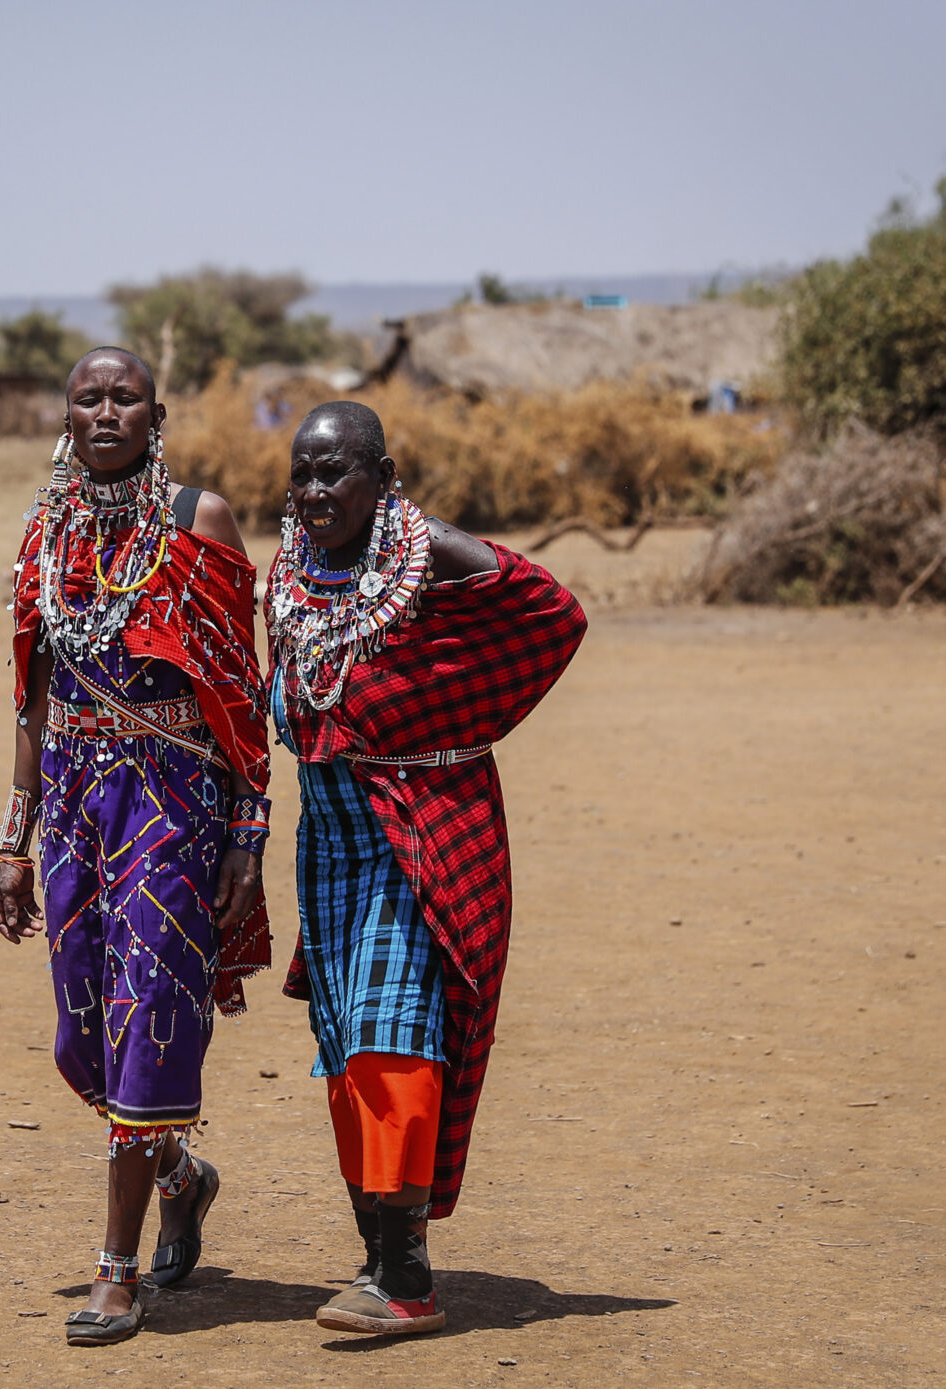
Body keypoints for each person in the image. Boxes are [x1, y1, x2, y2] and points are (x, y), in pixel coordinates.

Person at [263, 400, 586, 1337]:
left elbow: (552, 612)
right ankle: (376, 1253)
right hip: (329, 830)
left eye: (339, 472)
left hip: (422, 820)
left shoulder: (417, 556)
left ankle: (406, 1277)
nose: (317, 490)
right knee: (342, 1039)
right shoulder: (292, 567)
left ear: (384, 474)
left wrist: (432, 537)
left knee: (393, 1028)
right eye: (305, 472)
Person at [0, 348, 272, 1347]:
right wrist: (12, 839)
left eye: (124, 397)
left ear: (157, 414)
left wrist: (247, 830)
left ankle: (116, 1272)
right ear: (64, 415)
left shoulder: (198, 522)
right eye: (87, 396)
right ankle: (182, 1177)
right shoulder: (43, 533)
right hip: (71, 800)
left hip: (171, 802)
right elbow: (29, 693)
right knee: (84, 1036)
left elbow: (241, 693)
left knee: (144, 1012)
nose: (105, 410)